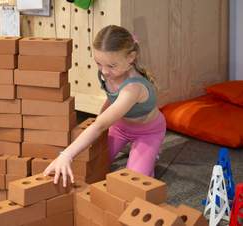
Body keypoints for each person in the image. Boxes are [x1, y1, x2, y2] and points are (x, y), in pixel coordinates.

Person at [43, 25, 166, 187]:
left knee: (134, 182)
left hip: (147, 132)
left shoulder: (133, 88)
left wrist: (66, 155)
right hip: (120, 127)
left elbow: (100, 125)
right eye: (99, 63)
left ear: (131, 57)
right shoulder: (107, 73)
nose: (104, 71)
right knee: (93, 163)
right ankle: (135, 152)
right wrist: (100, 116)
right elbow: (112, 98)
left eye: (111, 66)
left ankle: (150, 153)